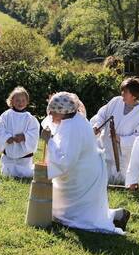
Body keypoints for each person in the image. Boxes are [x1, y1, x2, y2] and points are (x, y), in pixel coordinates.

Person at [41, 92, 130, 234]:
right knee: (83, 211)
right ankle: (117, 215)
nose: (50, 116)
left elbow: (66, 162)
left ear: (62, 112)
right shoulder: (74, 119)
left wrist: (49, 142)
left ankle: (114, 219)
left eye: (52, 112)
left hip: (83, 174)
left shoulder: (72, 127)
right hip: (87, 169)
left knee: (79, 216)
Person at [90, 77, 139, 184]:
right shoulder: (115, 101)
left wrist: (120, 139)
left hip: (124, 158)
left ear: (134, 96)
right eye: (122, 90)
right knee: (103, 178)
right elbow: (102, 114)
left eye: (125, 92)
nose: (122, 93)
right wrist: (97, 126)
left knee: (122, 180)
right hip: (106, 149)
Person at [0, 87, 40, 178]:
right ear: (12, 101)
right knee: (7, 174)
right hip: (10, 148)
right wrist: (6, 138)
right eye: (17, 100)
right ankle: (9, 168)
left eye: (23, 100)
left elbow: (34, 132)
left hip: (24, 152)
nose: (20, 103)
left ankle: (28, 170)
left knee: (26, 173)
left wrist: (24, 137)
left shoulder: (29, 118)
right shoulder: (6, 115)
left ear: (27, 102)